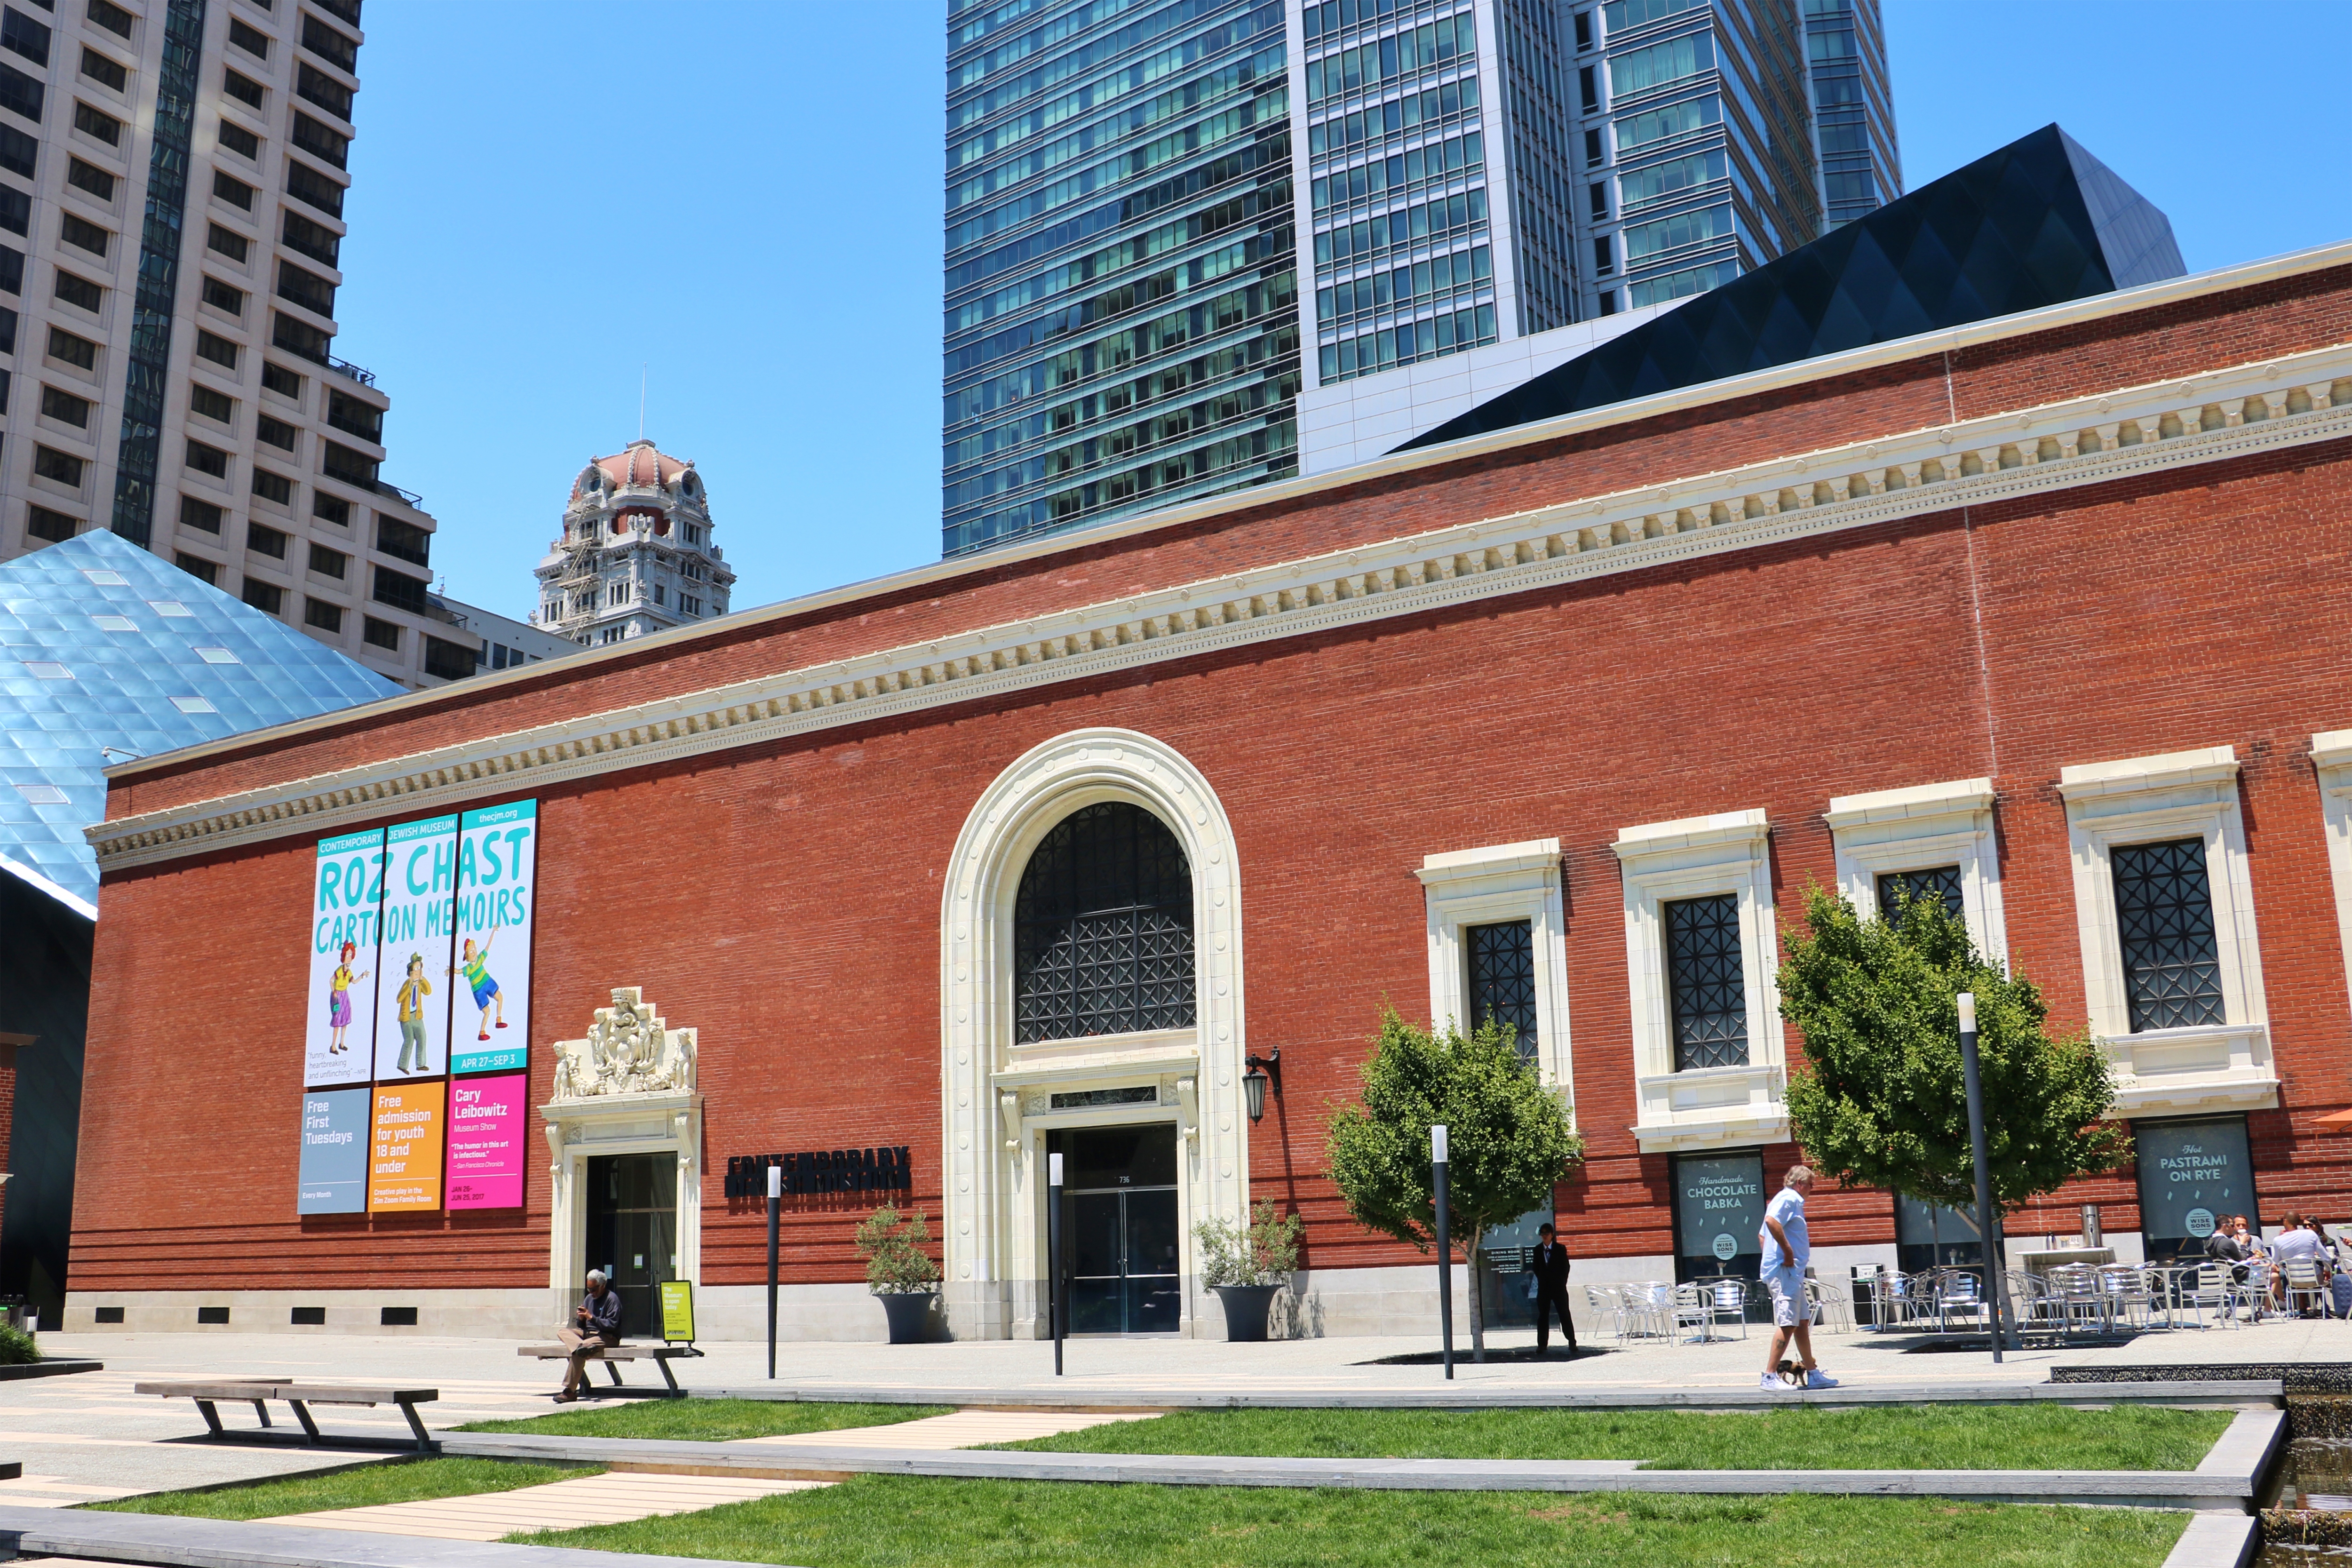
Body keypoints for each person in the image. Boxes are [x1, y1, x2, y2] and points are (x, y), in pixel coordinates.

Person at [1759, 1165, 1836, 1391]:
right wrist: (1787, 1253)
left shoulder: (1785, 1200)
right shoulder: (1789, 1199)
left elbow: (1762, 1235)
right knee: (1789, 1322)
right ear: (1801, 1183)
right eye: (1811, 1185)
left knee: (1801, 1323)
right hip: (1786, 1273)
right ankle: (1770, 1376)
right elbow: (1771, 1222)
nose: (1812, 1189)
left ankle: (1812, 1373)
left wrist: (1773, 1256)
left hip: (1791, 1273)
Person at [555, 1269, 624, 1402]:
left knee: (580, 1351)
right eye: (589, 1289)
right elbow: (582, 1327)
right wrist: (581, 1319)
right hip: (588, 1334)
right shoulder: (589, 1299)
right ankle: (579, 1346)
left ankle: (570, 1391)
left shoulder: (612, 1299)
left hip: (607, 1336)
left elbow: (611, 1326)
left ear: (603, 1286)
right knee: (563, 1332)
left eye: (594, 1289)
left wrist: (591, 1317)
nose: (591, 1293)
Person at [450, 927, 509, 1043]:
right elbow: (459, 971)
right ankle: (482, 1032)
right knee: (487, 1011)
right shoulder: (469, 968)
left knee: (500, 997)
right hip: (479, 990)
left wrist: (493, 932)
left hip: (487, 982)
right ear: (467, 956)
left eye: (474, 949)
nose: (474, 952)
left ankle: (499, 1020)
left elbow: (488, 946)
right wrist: (451, 970)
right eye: (471, 951)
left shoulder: (480, 959)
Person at [1528, 1222, 1575, 1358]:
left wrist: (1561, 1282)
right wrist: (1543, 1279)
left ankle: (1572, 1341)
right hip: (1544, 1288)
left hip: (1559, 1287)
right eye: (1542, 1234)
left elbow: (1566, 1267)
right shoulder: (1537, 1250)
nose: (1545, 1236)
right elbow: (1536, 1267)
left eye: (1547, 1234)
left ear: (1552, 1235)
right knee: (1543, 1316)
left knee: (1564, 1314)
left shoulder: (1560, 1249)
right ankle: (1542, 1344)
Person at [2270, 1211, 2327, 1315]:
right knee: (2318, 1271)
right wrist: (2328, 1270)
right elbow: (2326, 1257)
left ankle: (2303, 1309)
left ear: (2285, 1221)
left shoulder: (2278, 1240)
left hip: (2294, 1280)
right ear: (2299, 1222)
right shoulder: (2310, 1234)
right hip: (2313, 1278)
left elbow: (2275, 1263)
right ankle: (2325, 1307)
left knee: (2298, 1274)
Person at [393, 953, 433, 1075]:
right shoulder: (407, 984)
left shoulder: (420, 984)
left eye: (419, 968)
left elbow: (428, 991)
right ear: (410, 972)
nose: (417, 971)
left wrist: (423, 979)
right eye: (415, 969)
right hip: (406, 1017)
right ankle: (402, 1065)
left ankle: (421, 1064)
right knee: (409, 1040)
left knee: (422, 1038)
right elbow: (399, 999)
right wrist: (410, 986)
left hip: (417, 1016)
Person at [326, 941, 368, 1055]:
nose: (349, 959)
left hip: (345, 995)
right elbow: (331, 980)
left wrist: (362, 976)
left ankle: (342, 1043)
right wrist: (334, 991)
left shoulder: (349, 972)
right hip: (338, 996)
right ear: (343, 957)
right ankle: (333, 1046)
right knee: (337, 1020)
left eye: (351, 956)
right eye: (347, 956)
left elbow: (354, 982)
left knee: (345, 1020)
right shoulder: (340, 970)